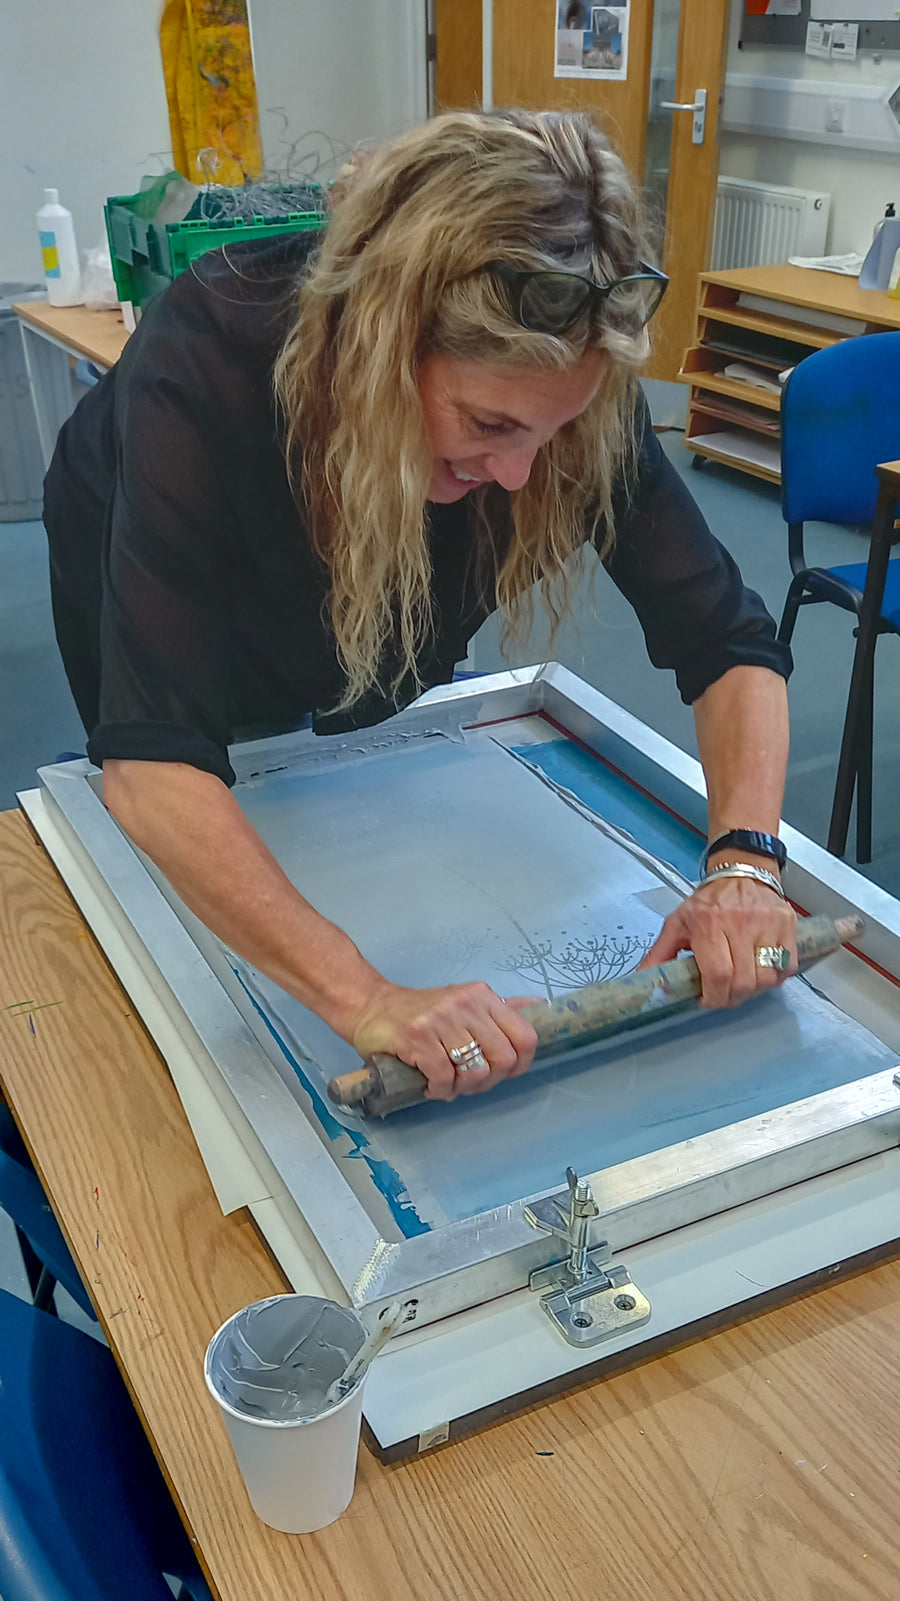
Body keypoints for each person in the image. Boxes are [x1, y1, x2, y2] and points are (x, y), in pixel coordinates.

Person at [44, 108, 796, 1104]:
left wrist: (746, 859)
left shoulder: (561, 393)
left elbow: (730, 638)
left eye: (553, 427)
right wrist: (363, 994)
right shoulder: (206, 359)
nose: (525, 469)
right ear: (381, 346)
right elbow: (153, 761)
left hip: (386, 515)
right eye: (490, 421)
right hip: (177, 531)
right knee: (208, 807)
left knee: (359, 724)